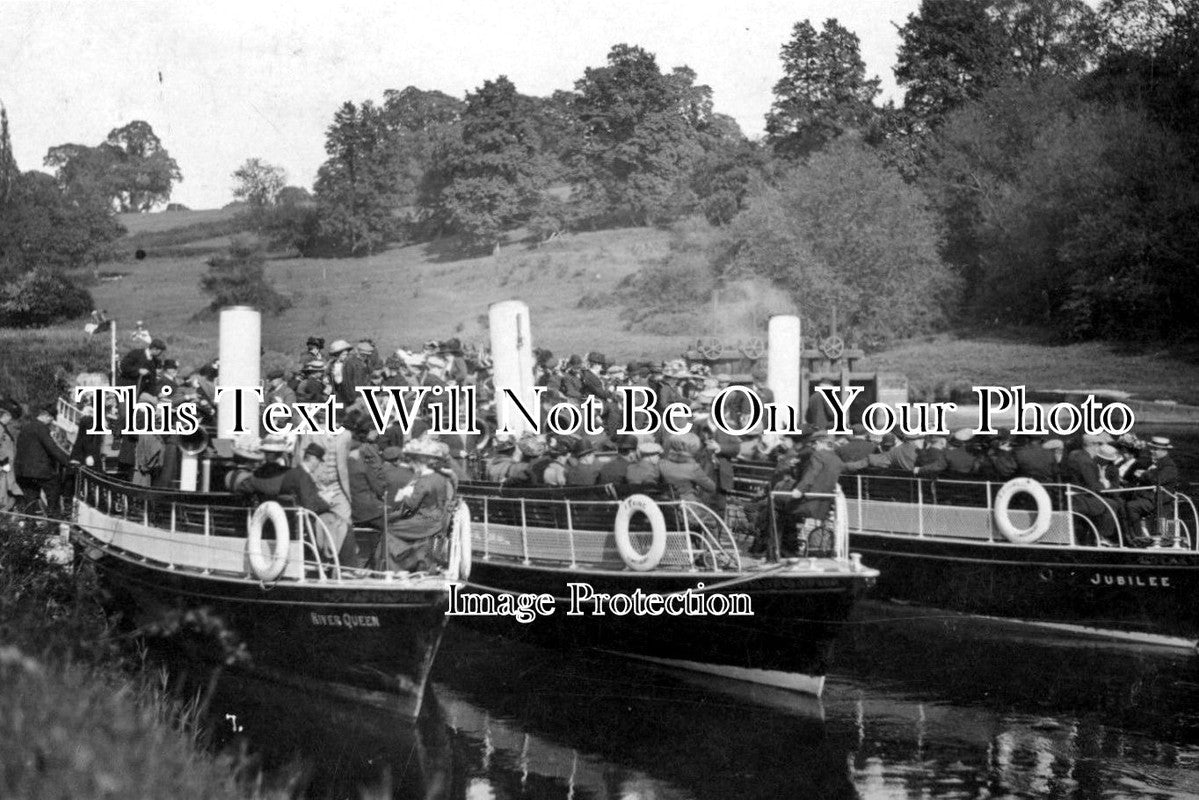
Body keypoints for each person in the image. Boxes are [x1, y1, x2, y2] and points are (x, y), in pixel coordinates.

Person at [375, 438, 456, 573]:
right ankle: (410, 561)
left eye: (412, 460)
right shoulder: (439, 478)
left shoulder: (423, 482)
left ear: (418, 461)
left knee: (389, 529)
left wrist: (403, 496)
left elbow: (410, 506)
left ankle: (393, 569)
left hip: (424, 522)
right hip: (437, 519)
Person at [778, 430, 843, 557]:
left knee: (779, 510)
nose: (813, 447)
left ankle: (786, 551)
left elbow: (811, 475)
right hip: (824, 503)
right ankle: (792, 548)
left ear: (819, 443)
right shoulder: (836, 459)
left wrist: (799, 490)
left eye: (814, 444)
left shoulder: (818, 455)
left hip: (810, 502)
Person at [1063, 434, 1125, 545]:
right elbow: (1093, 485)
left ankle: (1096, 536)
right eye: (1099, 445)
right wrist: (1104, 485)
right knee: (1112, 504)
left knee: (1110, 502)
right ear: (1093, 445)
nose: (1099, 449)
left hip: (1073, 495)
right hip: (1080, 499)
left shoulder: (1074, 454)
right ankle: (1102, 537)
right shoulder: (1087, 461)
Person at [14, 405, 71, 516]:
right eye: (51, 418)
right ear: (46, 415)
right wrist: (68, 462)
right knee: (53, 493)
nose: (51, 421)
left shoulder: (26, 427)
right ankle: (53, 524)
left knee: (30, 500)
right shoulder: (42, 428)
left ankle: (30, 526)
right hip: (40, 471)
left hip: (23, 471)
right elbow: (52, 448)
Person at [659, 433, 716, 503]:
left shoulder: (661, 464)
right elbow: (711, 487)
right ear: (693, 448)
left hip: (665, 502)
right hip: (688, 505)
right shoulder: (693, 468)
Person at [0, 401, 22, 511]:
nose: (11, 420)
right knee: (5, 496)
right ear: (6, 415)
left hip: (6, 468)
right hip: (3, 468)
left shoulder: (4, 428)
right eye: (11, 417)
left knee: (9, 496)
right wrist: (3, 464)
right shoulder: (0, 429)